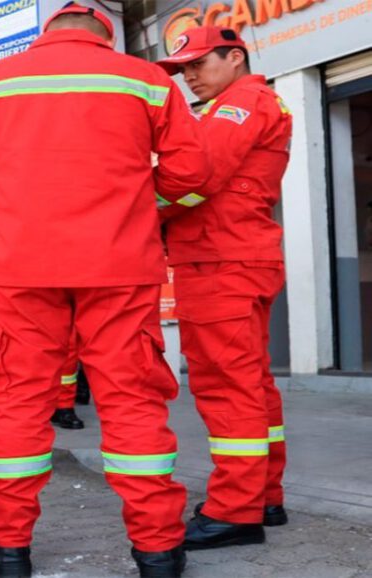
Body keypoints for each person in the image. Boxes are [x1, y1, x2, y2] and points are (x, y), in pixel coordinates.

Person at [0, 4, 211, 577]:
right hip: (119, 264)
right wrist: (129, 199)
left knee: (17, 401)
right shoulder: (149, 80)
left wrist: (20, 195)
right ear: (106, 38)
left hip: (20, 266)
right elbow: (190, 173)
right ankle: (158, 550)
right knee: (132, 400)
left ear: (45, 36)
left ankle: (7, 548)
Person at [156, 26, 293, 549]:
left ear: (235, 57)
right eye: (182, 69)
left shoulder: (243, 102)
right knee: (253, 386)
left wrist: (130, 203)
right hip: (237, 257)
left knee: (226, 389)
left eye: (198, 64)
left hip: (219, 262)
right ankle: (263, 496)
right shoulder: (246, 103)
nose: (189, 76)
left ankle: (235, 512)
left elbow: (195, 174)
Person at [0, 192, 85, 429]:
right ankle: (12, 405)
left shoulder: (25, 183)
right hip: (0, 284)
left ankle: (63, 405)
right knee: (7, 349)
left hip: (46, 279)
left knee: (66, 346)